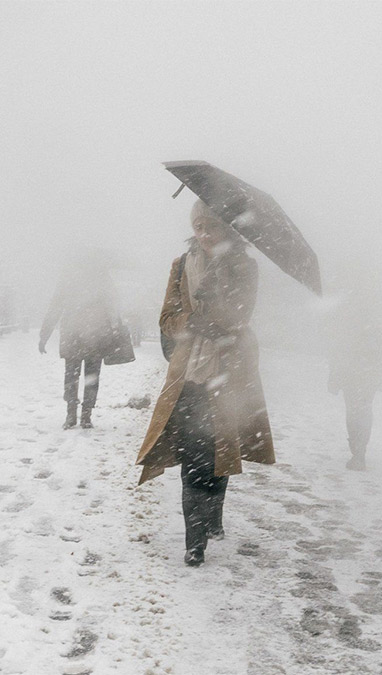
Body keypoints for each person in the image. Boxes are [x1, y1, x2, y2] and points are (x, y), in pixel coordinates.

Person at [136, 200, 275, 567]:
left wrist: (220, 299)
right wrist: (191, 321)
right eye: (198, 226)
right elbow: (167, 317)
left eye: (211, 225)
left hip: (230, 373)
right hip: (189, 375)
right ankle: (194, 541)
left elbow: (244, 313)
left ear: (227, 227)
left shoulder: (245, 266)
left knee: (220, 450)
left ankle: (213, 516)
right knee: (195, 455)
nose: (204, 233)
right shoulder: (181, 266)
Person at [325, 273, 382, 470]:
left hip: (356, 365)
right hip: (367, 367)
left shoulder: (352, 306)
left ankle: (358, 451)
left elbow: (340, 338)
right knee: (363, 407)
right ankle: (359, 451)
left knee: (355, 408)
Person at [39, 254, 119, 429]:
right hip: (95, 335)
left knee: (71, 377)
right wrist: (115, 329)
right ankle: (86, 415)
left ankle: (71, 414)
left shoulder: (68, 277)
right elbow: (113, 304)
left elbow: (55, 308)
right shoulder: (102, 277)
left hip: (74, 335)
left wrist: (44, 335)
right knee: (91, 377)